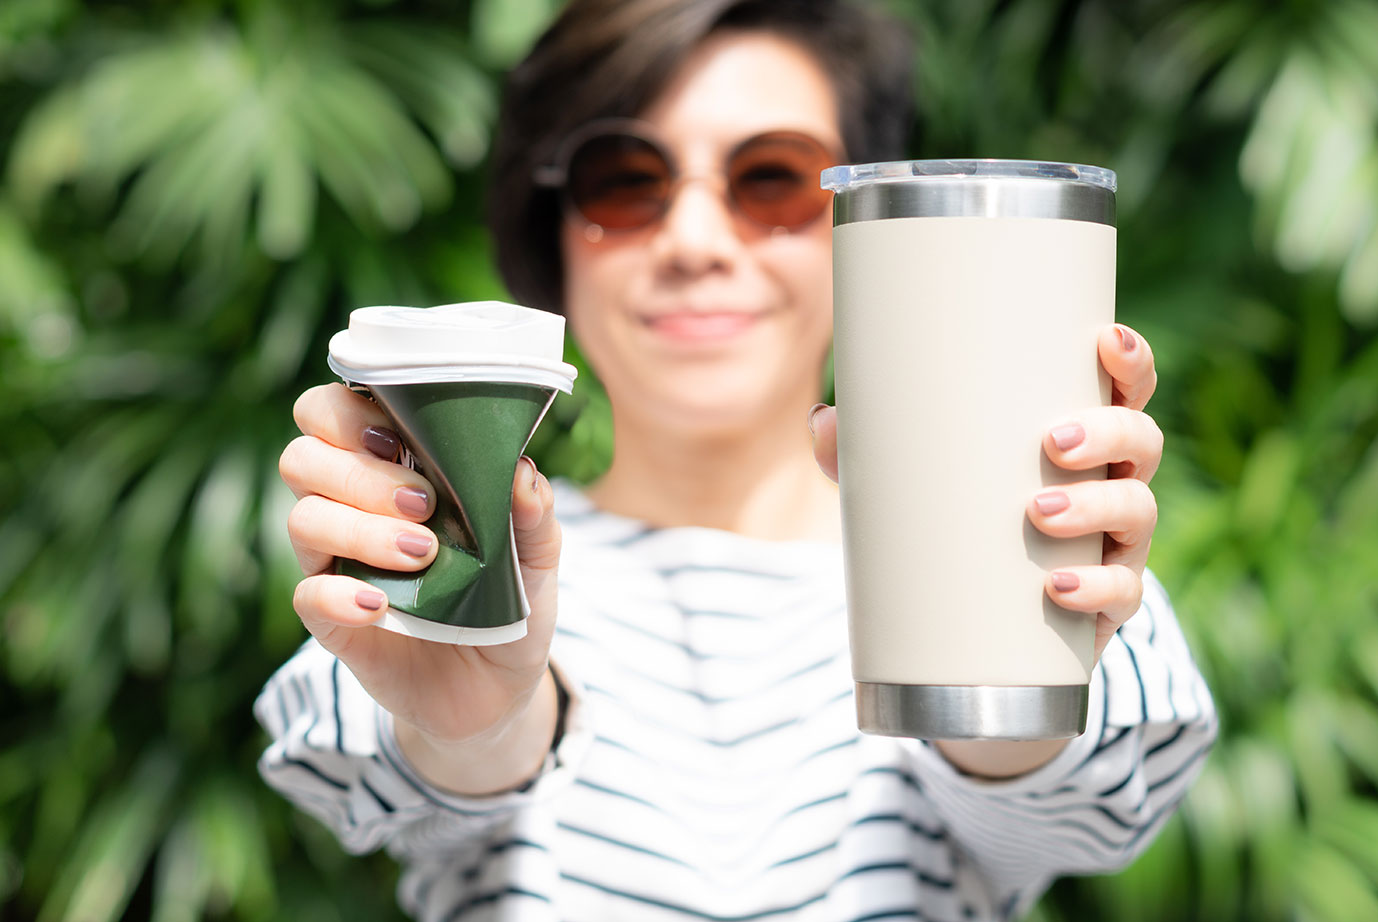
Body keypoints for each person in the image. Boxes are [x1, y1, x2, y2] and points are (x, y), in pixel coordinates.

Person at [255, 0, 1217, 919]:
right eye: (625, 182)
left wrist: (1011, 638)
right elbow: (390, 774)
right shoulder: (452, 560)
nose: (696, 241)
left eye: (773, 180)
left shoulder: (1058, 561)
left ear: (873, 229)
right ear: (549, 236)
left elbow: (1077, 813)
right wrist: (478, 698)